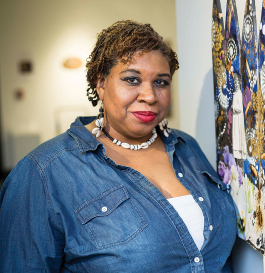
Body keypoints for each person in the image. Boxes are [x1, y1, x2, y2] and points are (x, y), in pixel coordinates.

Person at [0, 21, 237, 272]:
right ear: (101, 84)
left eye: (161, 82)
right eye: (132, 80)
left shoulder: (186, 147)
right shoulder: (43, 172)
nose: (150, 95)